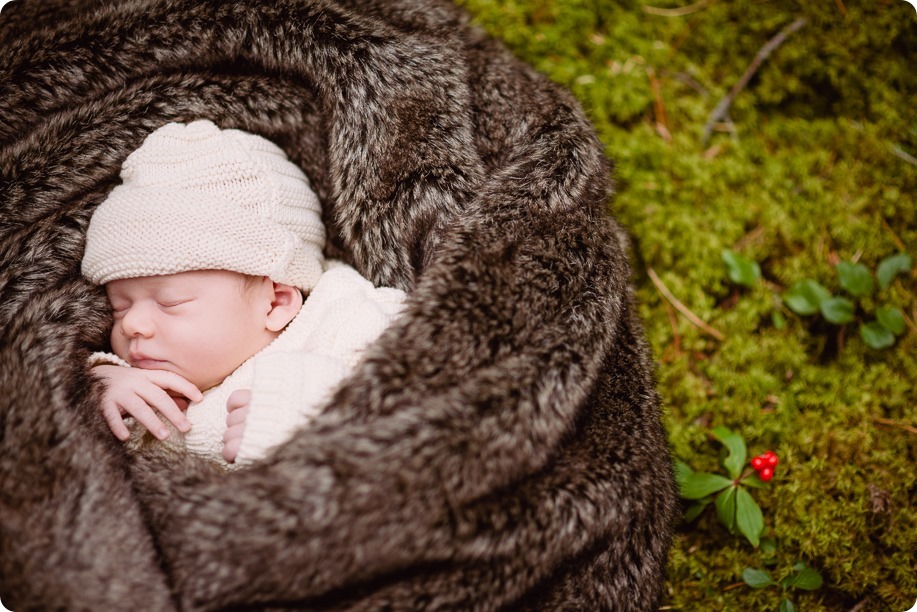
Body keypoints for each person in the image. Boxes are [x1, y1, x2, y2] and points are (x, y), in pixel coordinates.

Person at [81, 119, 405, 468]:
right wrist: (99, 385)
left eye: (170, 303)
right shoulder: (138, 379)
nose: (132, 324)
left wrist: (317, 414)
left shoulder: (346, 324)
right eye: (119, 306)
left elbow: (418, 402)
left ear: (276, 303)